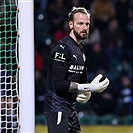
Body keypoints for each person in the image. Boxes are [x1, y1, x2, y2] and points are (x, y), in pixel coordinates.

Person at [44, 7, 110, 133]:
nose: (84, 27)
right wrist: (89, 87)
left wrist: (85, 92)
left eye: (87, 24)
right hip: (57, 108)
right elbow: (59, 84)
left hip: (71, 109)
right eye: (80, 23)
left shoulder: (83, 49)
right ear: (71, 24)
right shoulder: (61, 49)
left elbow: (81, 81)